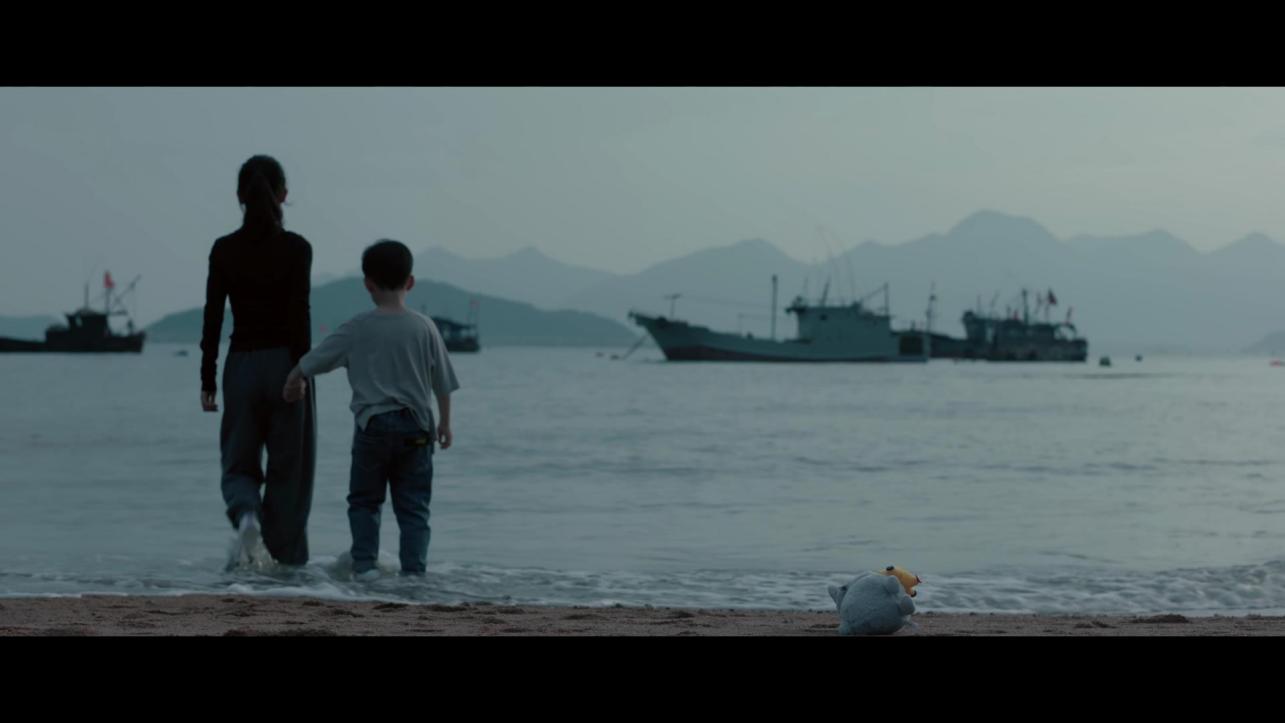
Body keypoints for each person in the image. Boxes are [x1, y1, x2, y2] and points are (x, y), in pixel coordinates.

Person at [284, 239, 459, 579]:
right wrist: (446, 424)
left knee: (365, 502)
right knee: (414, 508)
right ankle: (414, 575)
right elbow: (443, 382)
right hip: (417, 428)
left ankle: (365, 570)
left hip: (373, 427)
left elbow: (314, 360)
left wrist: (293, 380)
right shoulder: (425, 327)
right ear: (410, 282)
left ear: (368, 284)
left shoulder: (357, 327)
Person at [200, 154, 315, 568]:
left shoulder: (223, 249)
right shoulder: (297, 248)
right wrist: (302, 369)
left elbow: (213, 316)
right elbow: (300, 312)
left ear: (239, 197)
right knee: (290, 473)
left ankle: (247, 514)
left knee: (238, 463)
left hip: (241, 367)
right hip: (286, 364)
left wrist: (207, 378)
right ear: (283, 195)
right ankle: (285, 571)